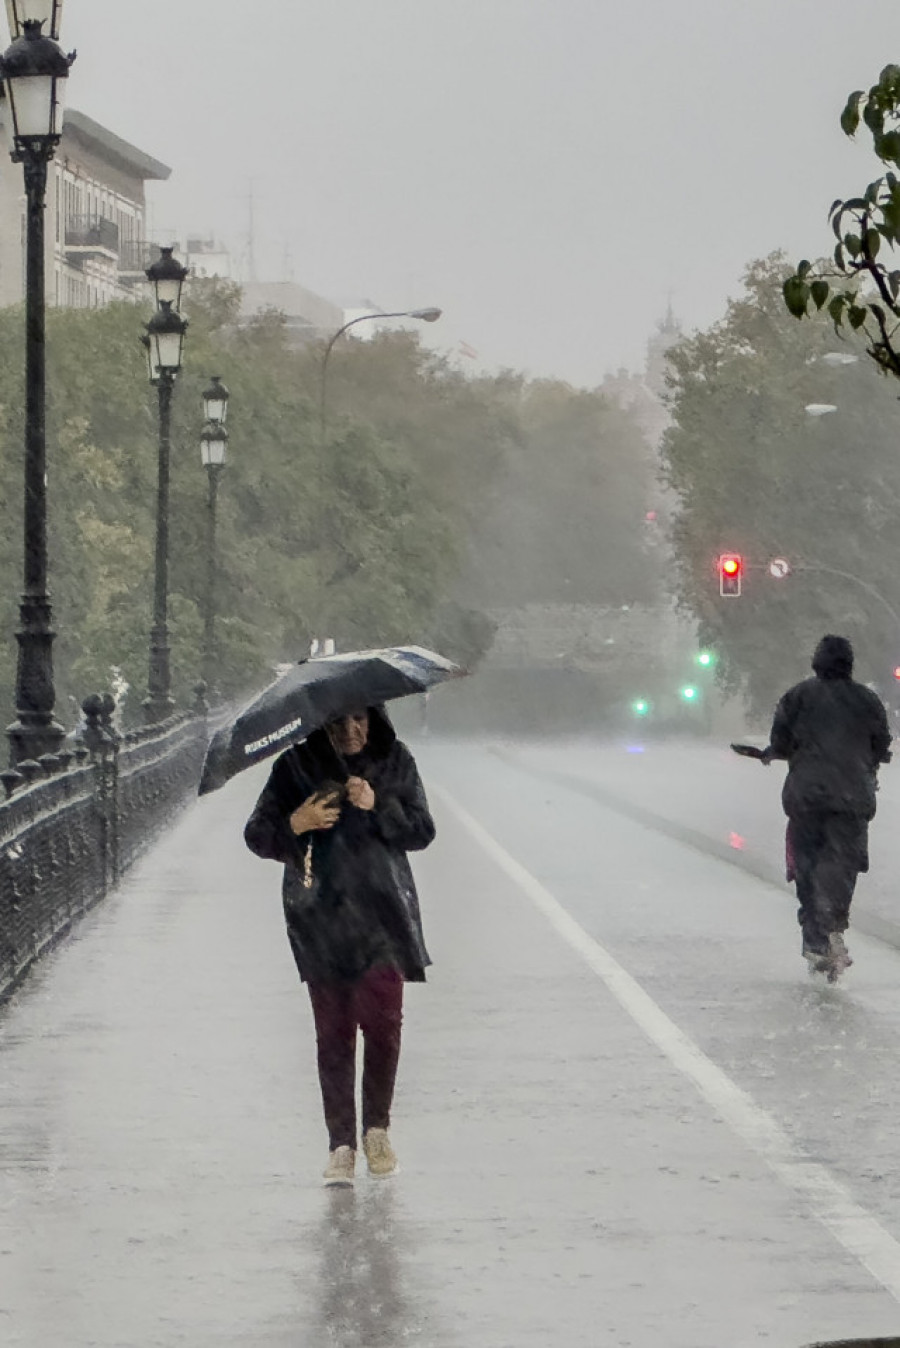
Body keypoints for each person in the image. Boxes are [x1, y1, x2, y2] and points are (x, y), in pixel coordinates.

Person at [243, 705, 435, 1186]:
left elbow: (421, 830)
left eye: (359, 720)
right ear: (320, 724)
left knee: (384, 1026)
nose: (350, 731)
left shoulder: (395, 762)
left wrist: (378, 806)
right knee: (333, 1035)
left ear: (374, 718)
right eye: (337, 722)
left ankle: (377, 1130)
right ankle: (341, 1146)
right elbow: (257, 835)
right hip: (320, 917)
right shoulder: (295, 767)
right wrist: (297, 823)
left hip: (381, 915)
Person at [765, 634, 891, 978]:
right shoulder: (868, 701)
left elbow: (780, 740)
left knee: (807, 866)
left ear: (816, 662)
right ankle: (834, 925)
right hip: (852, 799)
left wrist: (777, 752)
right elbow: (881, 743)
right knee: (843, 864)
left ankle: (816, 939)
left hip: (806, 798)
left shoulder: (798, 696)